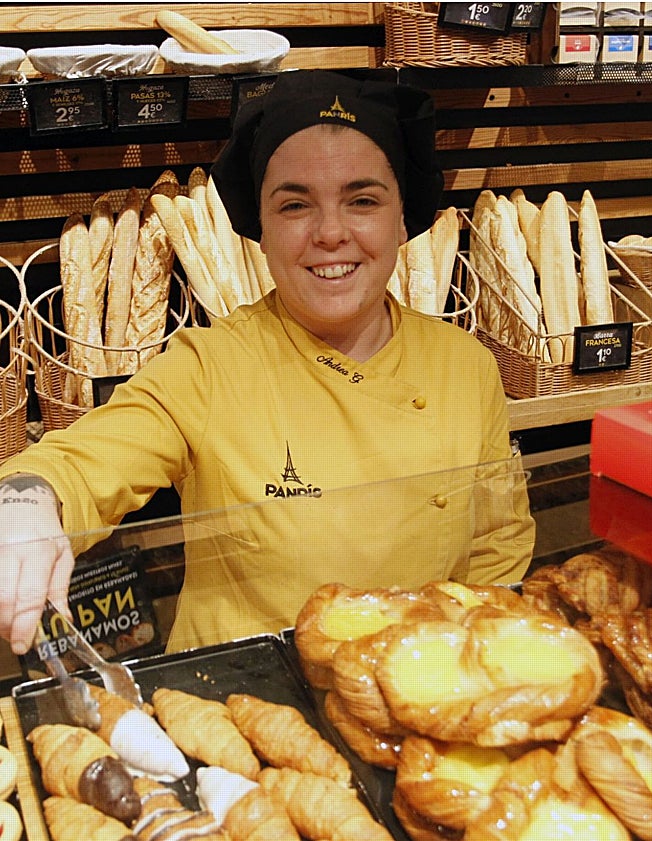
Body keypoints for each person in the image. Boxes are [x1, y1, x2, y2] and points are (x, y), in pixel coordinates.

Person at [0, 69, 534, 657]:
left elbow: (496, 546)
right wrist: (26, 499)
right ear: (261, 231)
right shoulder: (211, 366)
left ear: (402, 219)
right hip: (247, 702)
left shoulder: (466, 367)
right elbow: (85, 460)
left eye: (362, 201)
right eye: (295, 205)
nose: (331, 233)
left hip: (417, 691)